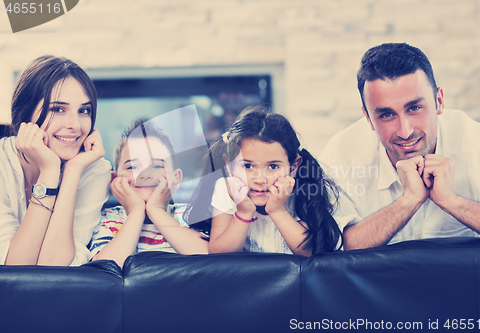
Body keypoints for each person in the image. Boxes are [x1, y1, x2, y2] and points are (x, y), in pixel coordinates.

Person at [320, 43, 480, 250]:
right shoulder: (341, 154)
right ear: (368, 118)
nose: (405, 132)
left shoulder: (479, 144)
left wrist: (452, 201)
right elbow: (335, 246)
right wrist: (409, 201)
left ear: (439, 101)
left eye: (414, 108)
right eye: (386, 115)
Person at [185, 106, 342, 256]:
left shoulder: (302, 187)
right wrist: (243, 213)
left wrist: (278, 210)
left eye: (273, 166)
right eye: (248, 166)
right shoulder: (226, 189)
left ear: (293, 167)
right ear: (229, 166)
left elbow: (310, 252)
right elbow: (219, 254)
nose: (260, 179)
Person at [0, 55, 111, 266]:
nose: (75, 125)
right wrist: (49, 171)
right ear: (25, 114)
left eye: (84, 111)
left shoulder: (93, 169)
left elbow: (55, 267)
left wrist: (72, 171)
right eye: (58, 109)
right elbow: (15, 267)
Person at [90, 119, 208, 267]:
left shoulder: (189, 215)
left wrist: (156, 210)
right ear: (114, 179)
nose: (145, 175)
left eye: (157, 165)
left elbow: (209, 261)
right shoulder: (106, 220)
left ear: (176, 179)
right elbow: (104, 269)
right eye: (132, 167)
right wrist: (136, 211)